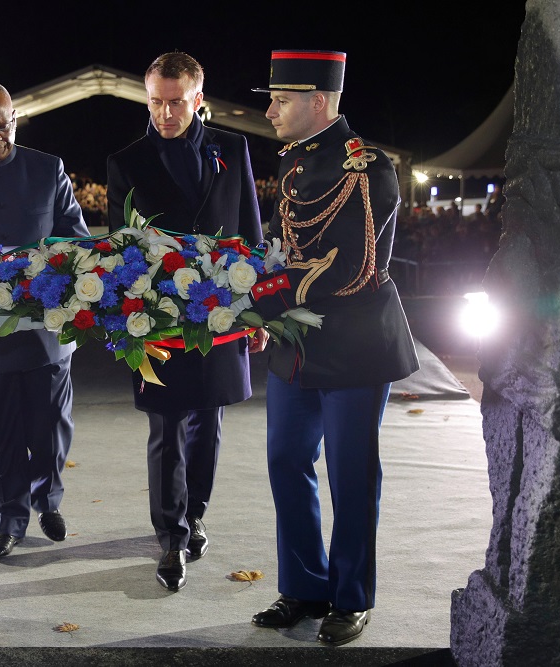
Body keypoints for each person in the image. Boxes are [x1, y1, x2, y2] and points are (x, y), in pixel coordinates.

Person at [245, 50, 419, 646]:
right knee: (285, 461)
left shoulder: (366, 168)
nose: (269, 110)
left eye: (281, 99)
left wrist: (250, 301)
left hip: (353, 342)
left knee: (349, 474)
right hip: (296, 343)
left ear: (318, 102)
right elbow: (278, 245)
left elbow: (347, 269)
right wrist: (241, 287)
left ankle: (351, 597)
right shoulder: (297, 163)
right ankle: (304, 586)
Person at [106, 51, 263, 591]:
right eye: (155, 101)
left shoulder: (234, 148)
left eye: (176, 102)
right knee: (167, 424)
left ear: (199, 99)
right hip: (157, 315)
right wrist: (126, 316)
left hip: (220, 309)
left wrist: (258, 308)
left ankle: (195, 513)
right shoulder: (126, 160)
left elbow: (250, 232)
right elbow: (117, 250)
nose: (164, 113)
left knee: (209, 420)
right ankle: (170, 536)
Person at [0, 80, 90, 559]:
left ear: (15, 120)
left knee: (49, 426)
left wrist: (54, 269)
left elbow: (77, 239)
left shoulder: (48, 170)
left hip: (45, 328)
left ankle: (48, 500)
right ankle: (7, 517)